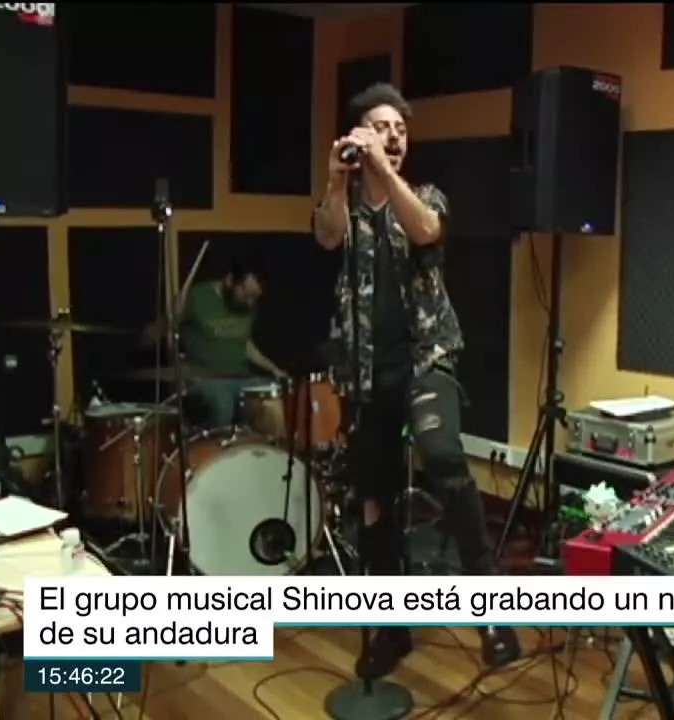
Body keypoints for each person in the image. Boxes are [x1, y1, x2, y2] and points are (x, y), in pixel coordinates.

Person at [312, 83, 522, 677]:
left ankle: (493, 614)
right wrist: (335, 180)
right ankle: (391, 629)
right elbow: (326, 235)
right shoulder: (347, 207)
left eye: (401, 129)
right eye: (381, 127)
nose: (395, 137)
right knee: (374, 500)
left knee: (443, 457)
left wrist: (383, 171)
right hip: (366, 374)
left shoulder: (425, 195)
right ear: (358, 134)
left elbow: (426, 229)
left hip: (427, 360)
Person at [174, 260, 286, 427]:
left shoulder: (246, 305)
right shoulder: (196, 297)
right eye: (246, 295)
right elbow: (169, 328)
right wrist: (174, 311)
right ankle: (214, 444)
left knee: (275, 394)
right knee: (223, 404)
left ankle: (260, 443)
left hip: (240, 376)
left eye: (254, 297)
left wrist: (273, 369)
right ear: (229, 281)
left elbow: (243, 344)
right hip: (205, 378)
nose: (250, 303)